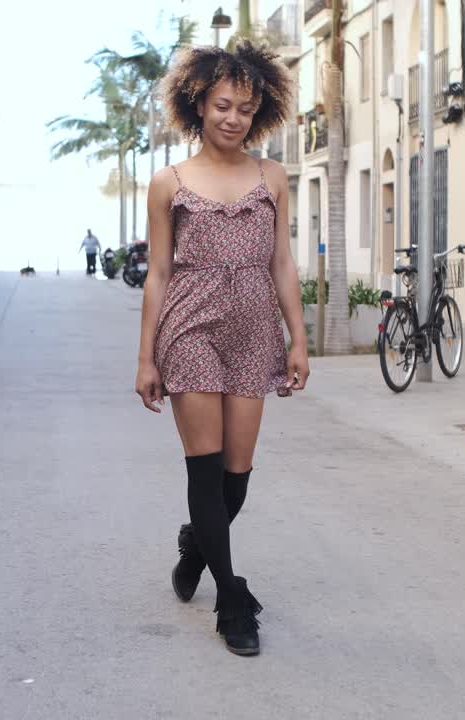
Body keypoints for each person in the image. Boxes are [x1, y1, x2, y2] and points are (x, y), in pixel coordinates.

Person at [134, 41, 308, 657]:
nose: (232, 117)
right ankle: (231, 599)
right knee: (204, 472)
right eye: (222, 105)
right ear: (198, 105)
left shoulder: (273, 177)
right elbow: (158, 273)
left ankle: (195, 547)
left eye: (245, 107)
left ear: (260, 110)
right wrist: (146, 356)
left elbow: (282, 262)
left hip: (255, 330)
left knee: (236, 480)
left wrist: (298, 338)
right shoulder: (168, 183)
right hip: (190, 330)